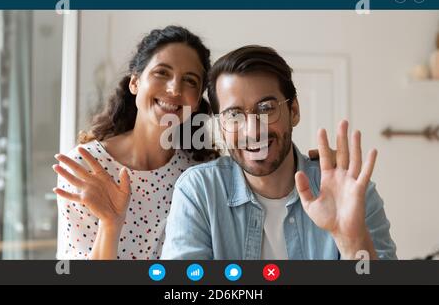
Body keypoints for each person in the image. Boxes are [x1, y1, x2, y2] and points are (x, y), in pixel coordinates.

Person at [161, 45, 397, 260]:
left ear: (293, 110)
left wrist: (352, 240)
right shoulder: (199, 190)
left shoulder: (351, 192)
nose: (253, 131)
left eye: (266, 108)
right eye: (233, 115)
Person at [53, 26, 216, 260]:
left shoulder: (201, 173)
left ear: (198, 100)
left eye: (189, 81)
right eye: (162, 73)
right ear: (135, 83)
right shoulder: (86, 168)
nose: (174, 89)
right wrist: (111, 225)